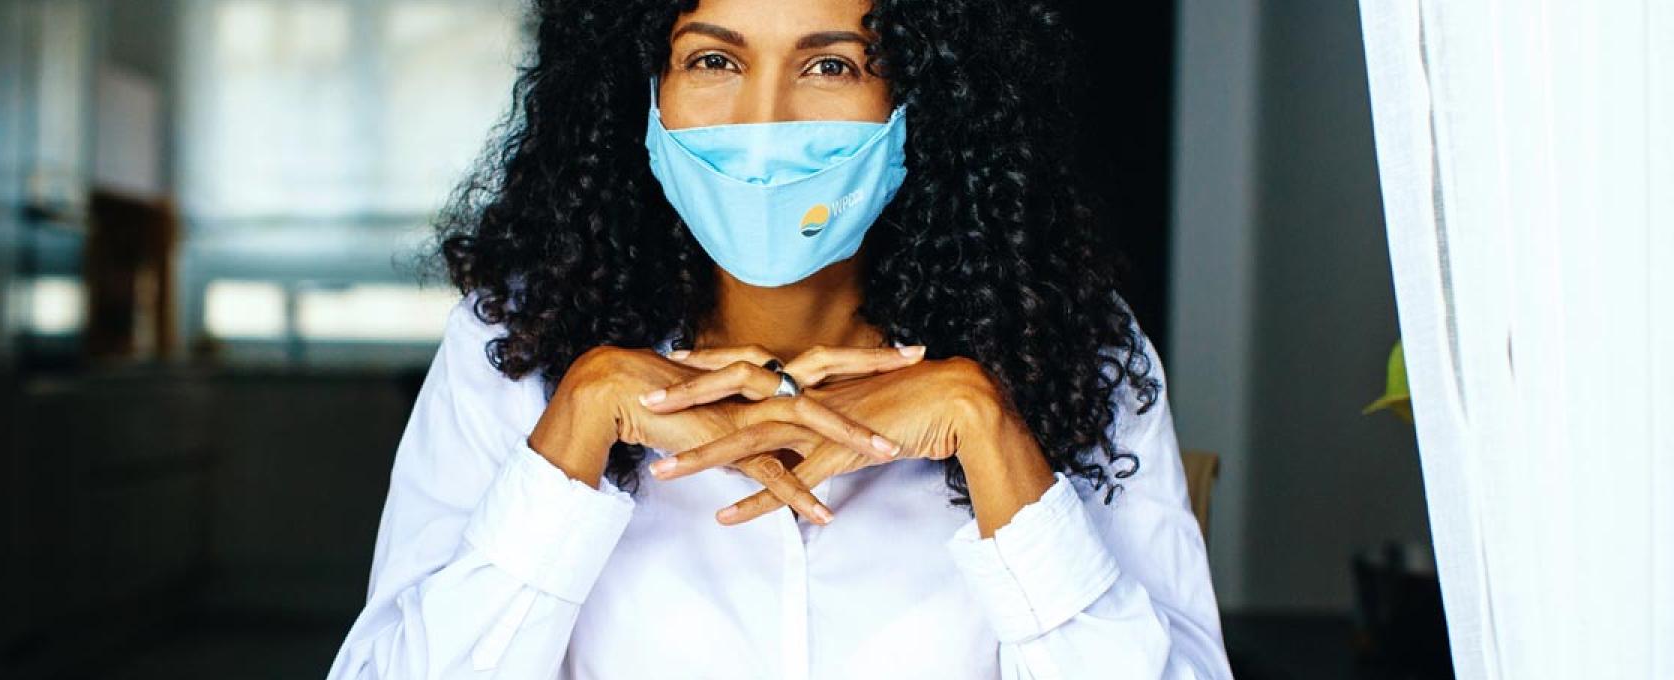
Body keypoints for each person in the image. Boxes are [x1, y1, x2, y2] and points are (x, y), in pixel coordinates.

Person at [327, 0, 1230, 677]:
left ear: (922, 96)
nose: (765, 119)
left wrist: (991, 435)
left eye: (831, 66)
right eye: (714, 57)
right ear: (643, 89)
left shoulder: (1075, 350)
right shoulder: (516, 349)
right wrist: (575, 430)